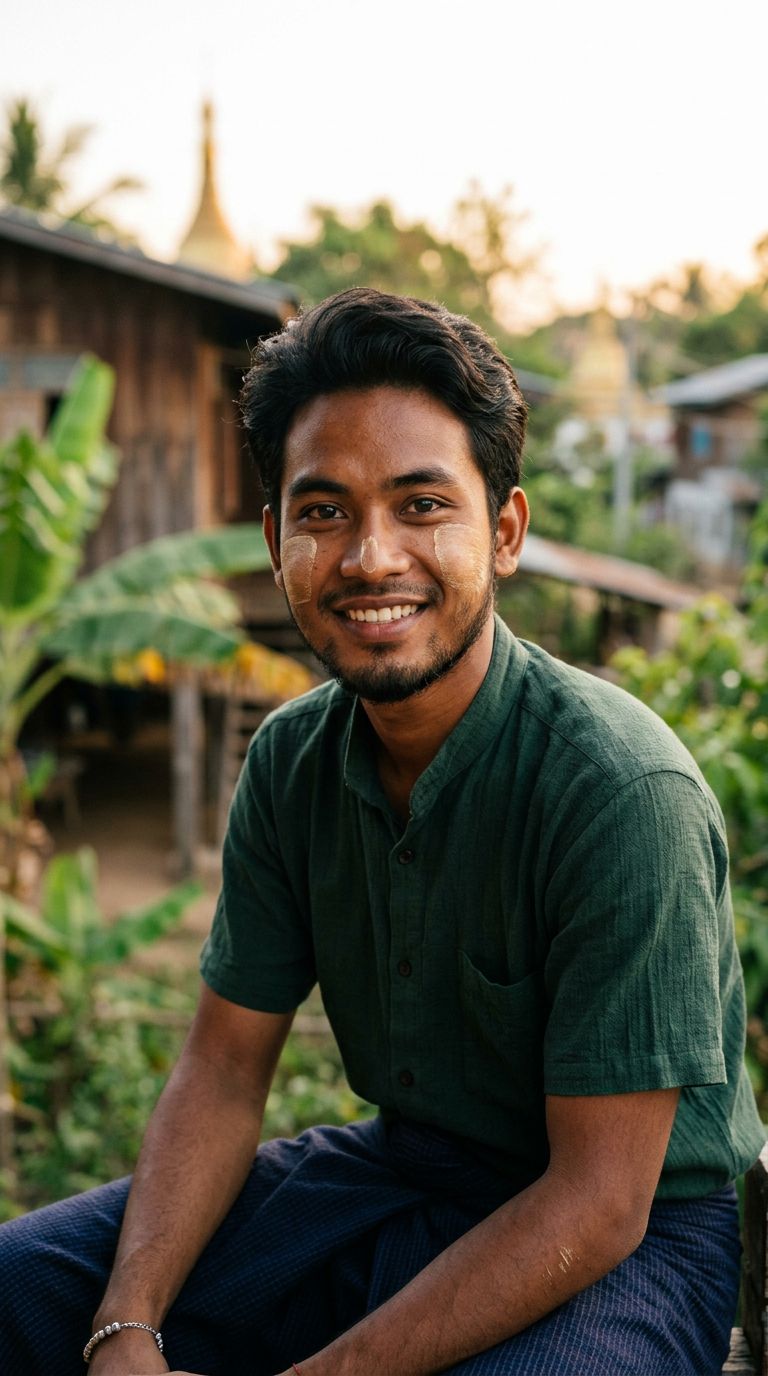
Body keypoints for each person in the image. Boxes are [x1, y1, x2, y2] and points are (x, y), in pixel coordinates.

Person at [0, 287, 764, 1376]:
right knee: (21, 1287)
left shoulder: (620, 790)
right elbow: (222, 1070)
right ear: (276, 541)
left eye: (422, 505)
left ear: (505, 531)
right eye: (323, 512)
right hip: (396, 1177)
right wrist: (126, 1323)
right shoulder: (291, 762)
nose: (370, 557)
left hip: (630, 1238)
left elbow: (600, 1200)